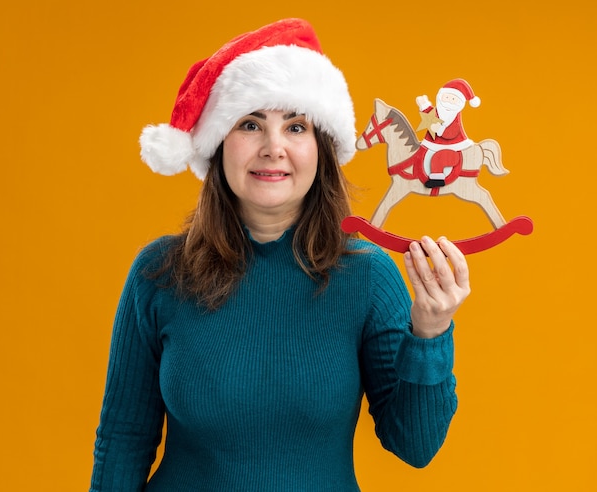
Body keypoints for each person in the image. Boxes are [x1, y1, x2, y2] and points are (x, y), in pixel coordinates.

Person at [90, 18, 470, 491]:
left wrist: (430, 334)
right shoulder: (158, 272)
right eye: (250, 124)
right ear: (217, 145)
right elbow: (124, 439)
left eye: (295, 126)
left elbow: (414, 445)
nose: (274, 148)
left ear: (321, 149)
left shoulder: (369, 275)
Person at [415, 79, 481, 188]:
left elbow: (451, 133)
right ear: (440, 97)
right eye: (446, 97)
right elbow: (429, 115)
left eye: (453, 99)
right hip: (430, 144)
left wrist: (439, 129)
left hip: (453, 148)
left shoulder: (455, 120)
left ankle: (437, 180)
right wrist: (423, 104)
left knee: (438, 158)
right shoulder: (438, 112)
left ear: (460, 103)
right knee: (419, 153)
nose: (449, 102)